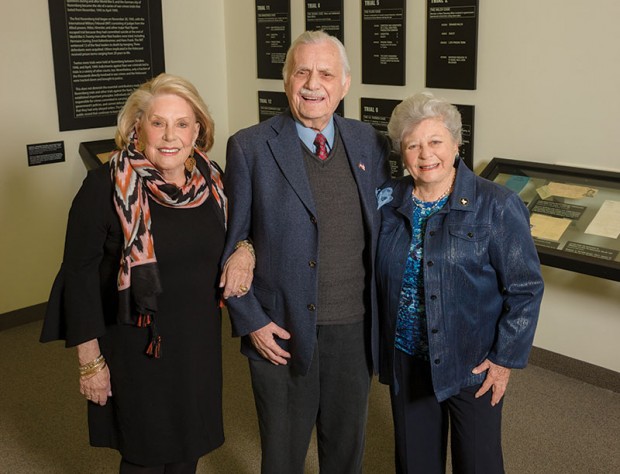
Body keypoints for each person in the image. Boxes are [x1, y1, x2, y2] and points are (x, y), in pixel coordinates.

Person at [40, 73, 249, 473]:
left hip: (196, 349)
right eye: (158, 123)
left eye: (182, 124)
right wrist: (90, 362)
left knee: (188, 450)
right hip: (138, 348)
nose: (170, 136)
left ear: (197, 130)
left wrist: (246, 250)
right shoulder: (104, 187)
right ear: (138, 127)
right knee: (145, 457)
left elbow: (239, 233)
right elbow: (77, 277)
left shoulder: (213, 180)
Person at [221, 30, 391, 473]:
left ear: (345, 84)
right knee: (282, 455)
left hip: (353, 331)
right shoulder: (250, 147)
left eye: (326, 74)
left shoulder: (370, 143)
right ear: (286, 81)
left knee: (345, 452)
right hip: (281, 330)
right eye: (302, 72)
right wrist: (251, 321)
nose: (313, 84)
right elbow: (230, 244)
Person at [375, 92, 545, 473]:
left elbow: (526, 288)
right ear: (401, 153)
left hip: (473, 362)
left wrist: (503, 361)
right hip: (407, 355)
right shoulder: (389, 203)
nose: (425, 154)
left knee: (478, 463)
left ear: (456, 144)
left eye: (435, 141)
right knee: (415, 463)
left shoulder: (497, 204)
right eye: (412, 145)